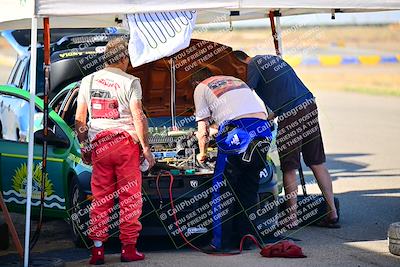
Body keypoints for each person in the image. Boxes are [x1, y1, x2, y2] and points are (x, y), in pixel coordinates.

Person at [234, 51, 340, 229]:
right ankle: (332, 213)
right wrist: (269, 117)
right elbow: (285, 93)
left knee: (289, 167)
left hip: (292, 113)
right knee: (317, 162)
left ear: (240, 63)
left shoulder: (252, 65)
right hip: (309, 105)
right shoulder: (271, 60)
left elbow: (245, 94)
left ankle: (291, 218)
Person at [75, 37, 155, 265]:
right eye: (128, 58)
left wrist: (84, 146)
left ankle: (97, 251)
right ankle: (129, 250)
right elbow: (138, 117)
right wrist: (147, 149)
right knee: (130, 198)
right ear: (122, 58)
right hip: (125, 145)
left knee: (100, 199)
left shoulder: (87, 81)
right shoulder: (131, 81)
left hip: (100, 145)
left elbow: (80, 119)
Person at [192, 67, 273, 252]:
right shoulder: (236, 81)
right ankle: (247, 239)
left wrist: (202, 153)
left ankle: (219, 243)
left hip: (238, 131)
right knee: (249, 189)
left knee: (222, 191)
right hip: (263, 130)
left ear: (195, 83)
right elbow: (238, 111)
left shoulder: (201, 87)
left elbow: (202, 129)